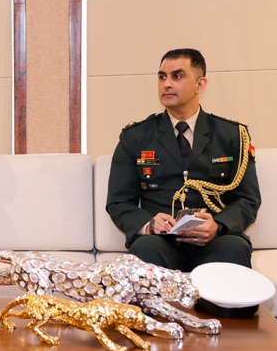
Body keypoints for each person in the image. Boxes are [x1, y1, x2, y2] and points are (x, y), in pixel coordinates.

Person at [105, 48, 261, 272]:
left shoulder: (231, 135)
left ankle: (225, 309)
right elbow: (118, 201)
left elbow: (248, 199)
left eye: (177, 76)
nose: (166, 84)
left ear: (200, 85)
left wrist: (218, 226)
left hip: (215, 240)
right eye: (162, 77)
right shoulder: (136, 137)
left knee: (234, 248)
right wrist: (148, 225)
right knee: (146, 249)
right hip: (161, 241)